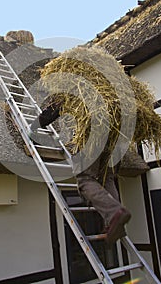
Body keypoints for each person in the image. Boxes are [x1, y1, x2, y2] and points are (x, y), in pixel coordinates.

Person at [28, 98, 131, 245]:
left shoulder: (74, 81)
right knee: (107, 178)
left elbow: (54, 109)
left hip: (94, 135)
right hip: (116, 141)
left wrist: (33, 127)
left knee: (85, 179)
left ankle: (114, 213)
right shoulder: (110, 91)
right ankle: (114, 224)